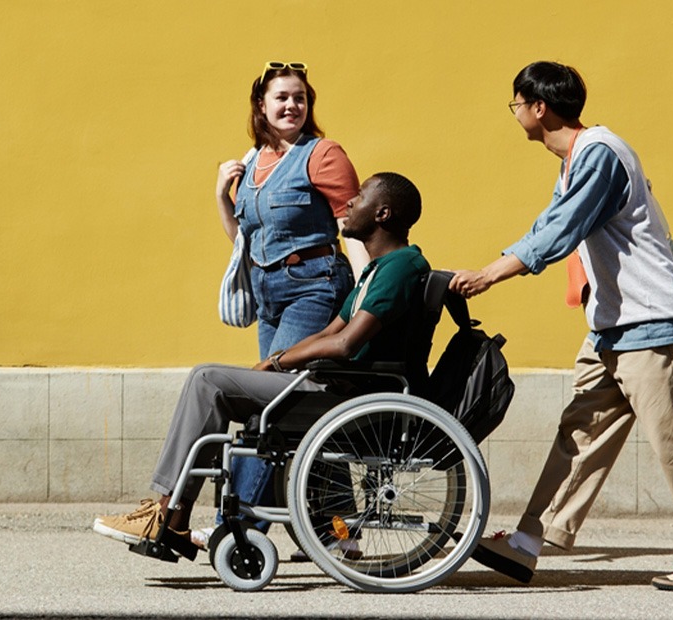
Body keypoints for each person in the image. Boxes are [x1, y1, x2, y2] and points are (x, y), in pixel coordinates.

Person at [450, 61, 673, 591]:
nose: (514, 113)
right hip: (611, 324)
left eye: (516, 104)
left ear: (539, 107)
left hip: (651, 322)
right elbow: (560, 222)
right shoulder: (576, 161)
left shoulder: (600, 152)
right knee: (580, 436)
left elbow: (561, 229)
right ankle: (527, 543)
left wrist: (493, 272)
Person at [93, 171, 428, 545]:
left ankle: (168, 513)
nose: (349, 202)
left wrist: (279, 362)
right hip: (337, 388)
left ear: (382, 214)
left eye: (360, 196)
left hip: (347, 396)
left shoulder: (400, 268)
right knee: (212, 381)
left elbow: (344, 345)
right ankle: (172, 516)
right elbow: (329, 332)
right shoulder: (378, 269)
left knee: (207, 381)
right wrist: (277, 359)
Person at [208, 60, 366, 547]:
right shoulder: (251, 162)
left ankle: (236, 528)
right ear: (261, 105)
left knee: (271, 401)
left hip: (315, 285)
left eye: (299, 97)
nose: (292, 105)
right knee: (300, 413)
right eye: (282, 97)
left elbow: (355, 227)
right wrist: (220, 196)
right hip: (268, 294)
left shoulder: (322, 154)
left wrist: (366, 294)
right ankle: (339, 532)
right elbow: (245, 242)